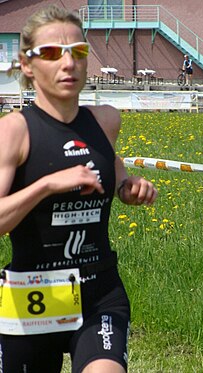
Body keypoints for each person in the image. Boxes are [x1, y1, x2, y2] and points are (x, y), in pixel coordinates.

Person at [0, 5, 157, 373]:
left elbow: (116, 175)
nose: (68, 63)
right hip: (32, 299)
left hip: (98, 291)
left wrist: (129, 187)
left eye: (78, 52)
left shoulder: (105, 120)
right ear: (27, 64)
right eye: (52, 53)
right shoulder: (13, 131)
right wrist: (48, 185)